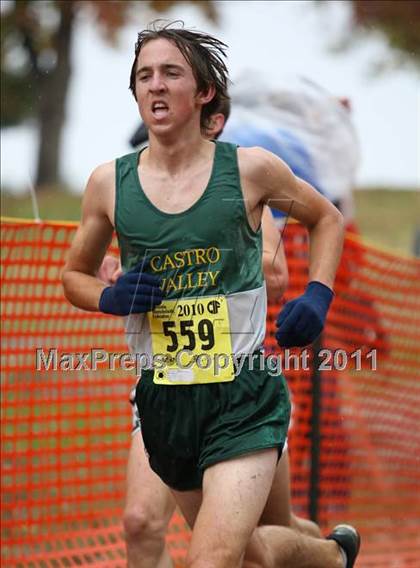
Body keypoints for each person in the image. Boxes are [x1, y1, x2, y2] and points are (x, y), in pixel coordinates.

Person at [63, 22, 359, 568]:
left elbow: (326, 218)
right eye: (144, 76)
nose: (155, 85)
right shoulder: (108, 183)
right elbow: (73, 277)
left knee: (211, 561)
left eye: (171, 73)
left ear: (203, 94)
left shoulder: (249, 171)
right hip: (166, 399)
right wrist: (112, 295)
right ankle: (331, 557)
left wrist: (316, 296)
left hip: (243, 394)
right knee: (252, 555)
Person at [98, 102, 319, 568]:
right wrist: (117, 280)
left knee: (265, 536)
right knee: (141, 522)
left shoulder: (239, 187)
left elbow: (276, 274)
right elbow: (97, 275)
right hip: (165, 387)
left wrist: (200, 260)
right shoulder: (125, 197)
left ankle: (324, 552)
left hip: (239, 386)